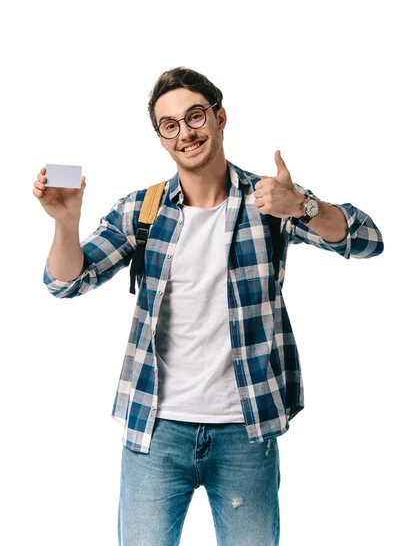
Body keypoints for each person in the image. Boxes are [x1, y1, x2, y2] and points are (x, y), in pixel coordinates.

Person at [33, 67, 384, 546]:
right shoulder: (142, 209)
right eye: (170, 125)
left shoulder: (268, 202)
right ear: (161, 138)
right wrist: (66, 222)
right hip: (156, 431)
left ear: (219, 118)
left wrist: (302, 204)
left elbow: (366, 241)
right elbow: (66, 282)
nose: (185, 133)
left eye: (195, 116)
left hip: (246, 428)